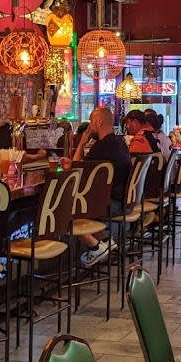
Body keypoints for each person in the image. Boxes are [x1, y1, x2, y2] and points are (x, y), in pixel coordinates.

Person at [61, 105, 131, 266]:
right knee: (79, 204)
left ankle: (95, 247)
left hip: (110, 205)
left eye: (92, 122)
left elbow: (77, 168)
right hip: (122, 202)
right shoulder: (119, 143)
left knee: (64, 207)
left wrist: (82, 142)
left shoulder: (102, 146)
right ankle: (106, 241)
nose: (90, 126)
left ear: (99, 122)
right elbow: (80, 166)